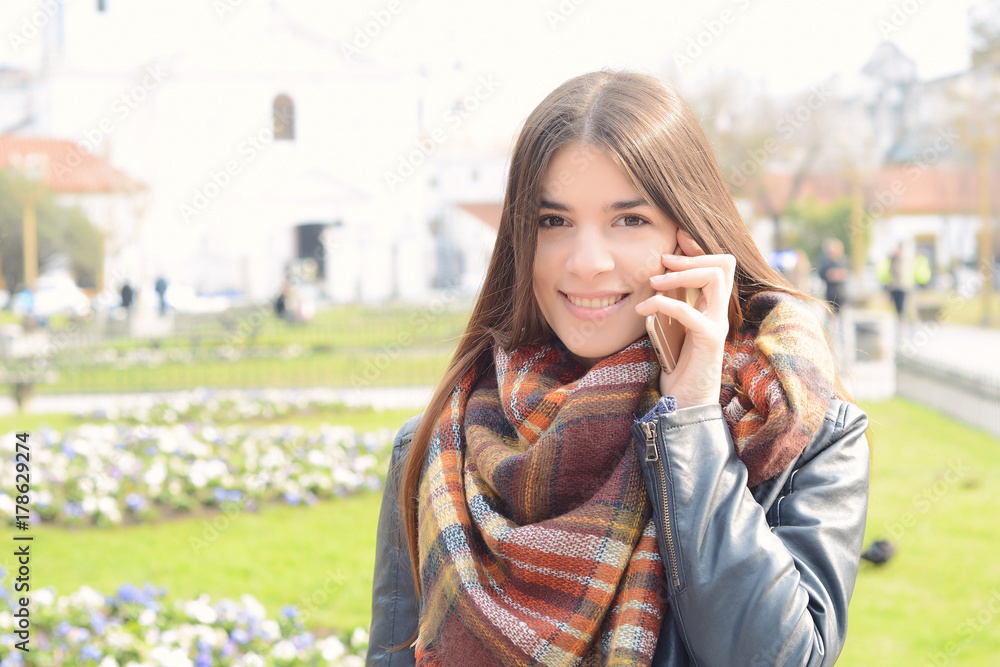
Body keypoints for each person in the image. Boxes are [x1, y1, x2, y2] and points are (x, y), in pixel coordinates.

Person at [368, 71, 870, 667]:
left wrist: (693, 422)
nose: (586, 262)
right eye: (553, 221)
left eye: (629, 220)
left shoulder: (796, 430)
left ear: (692, 241)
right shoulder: (433, 447)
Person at [817, 238, 849, 314]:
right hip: (830, 295)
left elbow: (846, 274)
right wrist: (830, 275)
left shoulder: (843, 261)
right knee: (830, 316)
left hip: (841, 294)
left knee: (842, 317)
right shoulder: (825, 262)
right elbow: (822, 274)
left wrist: (838, 275)